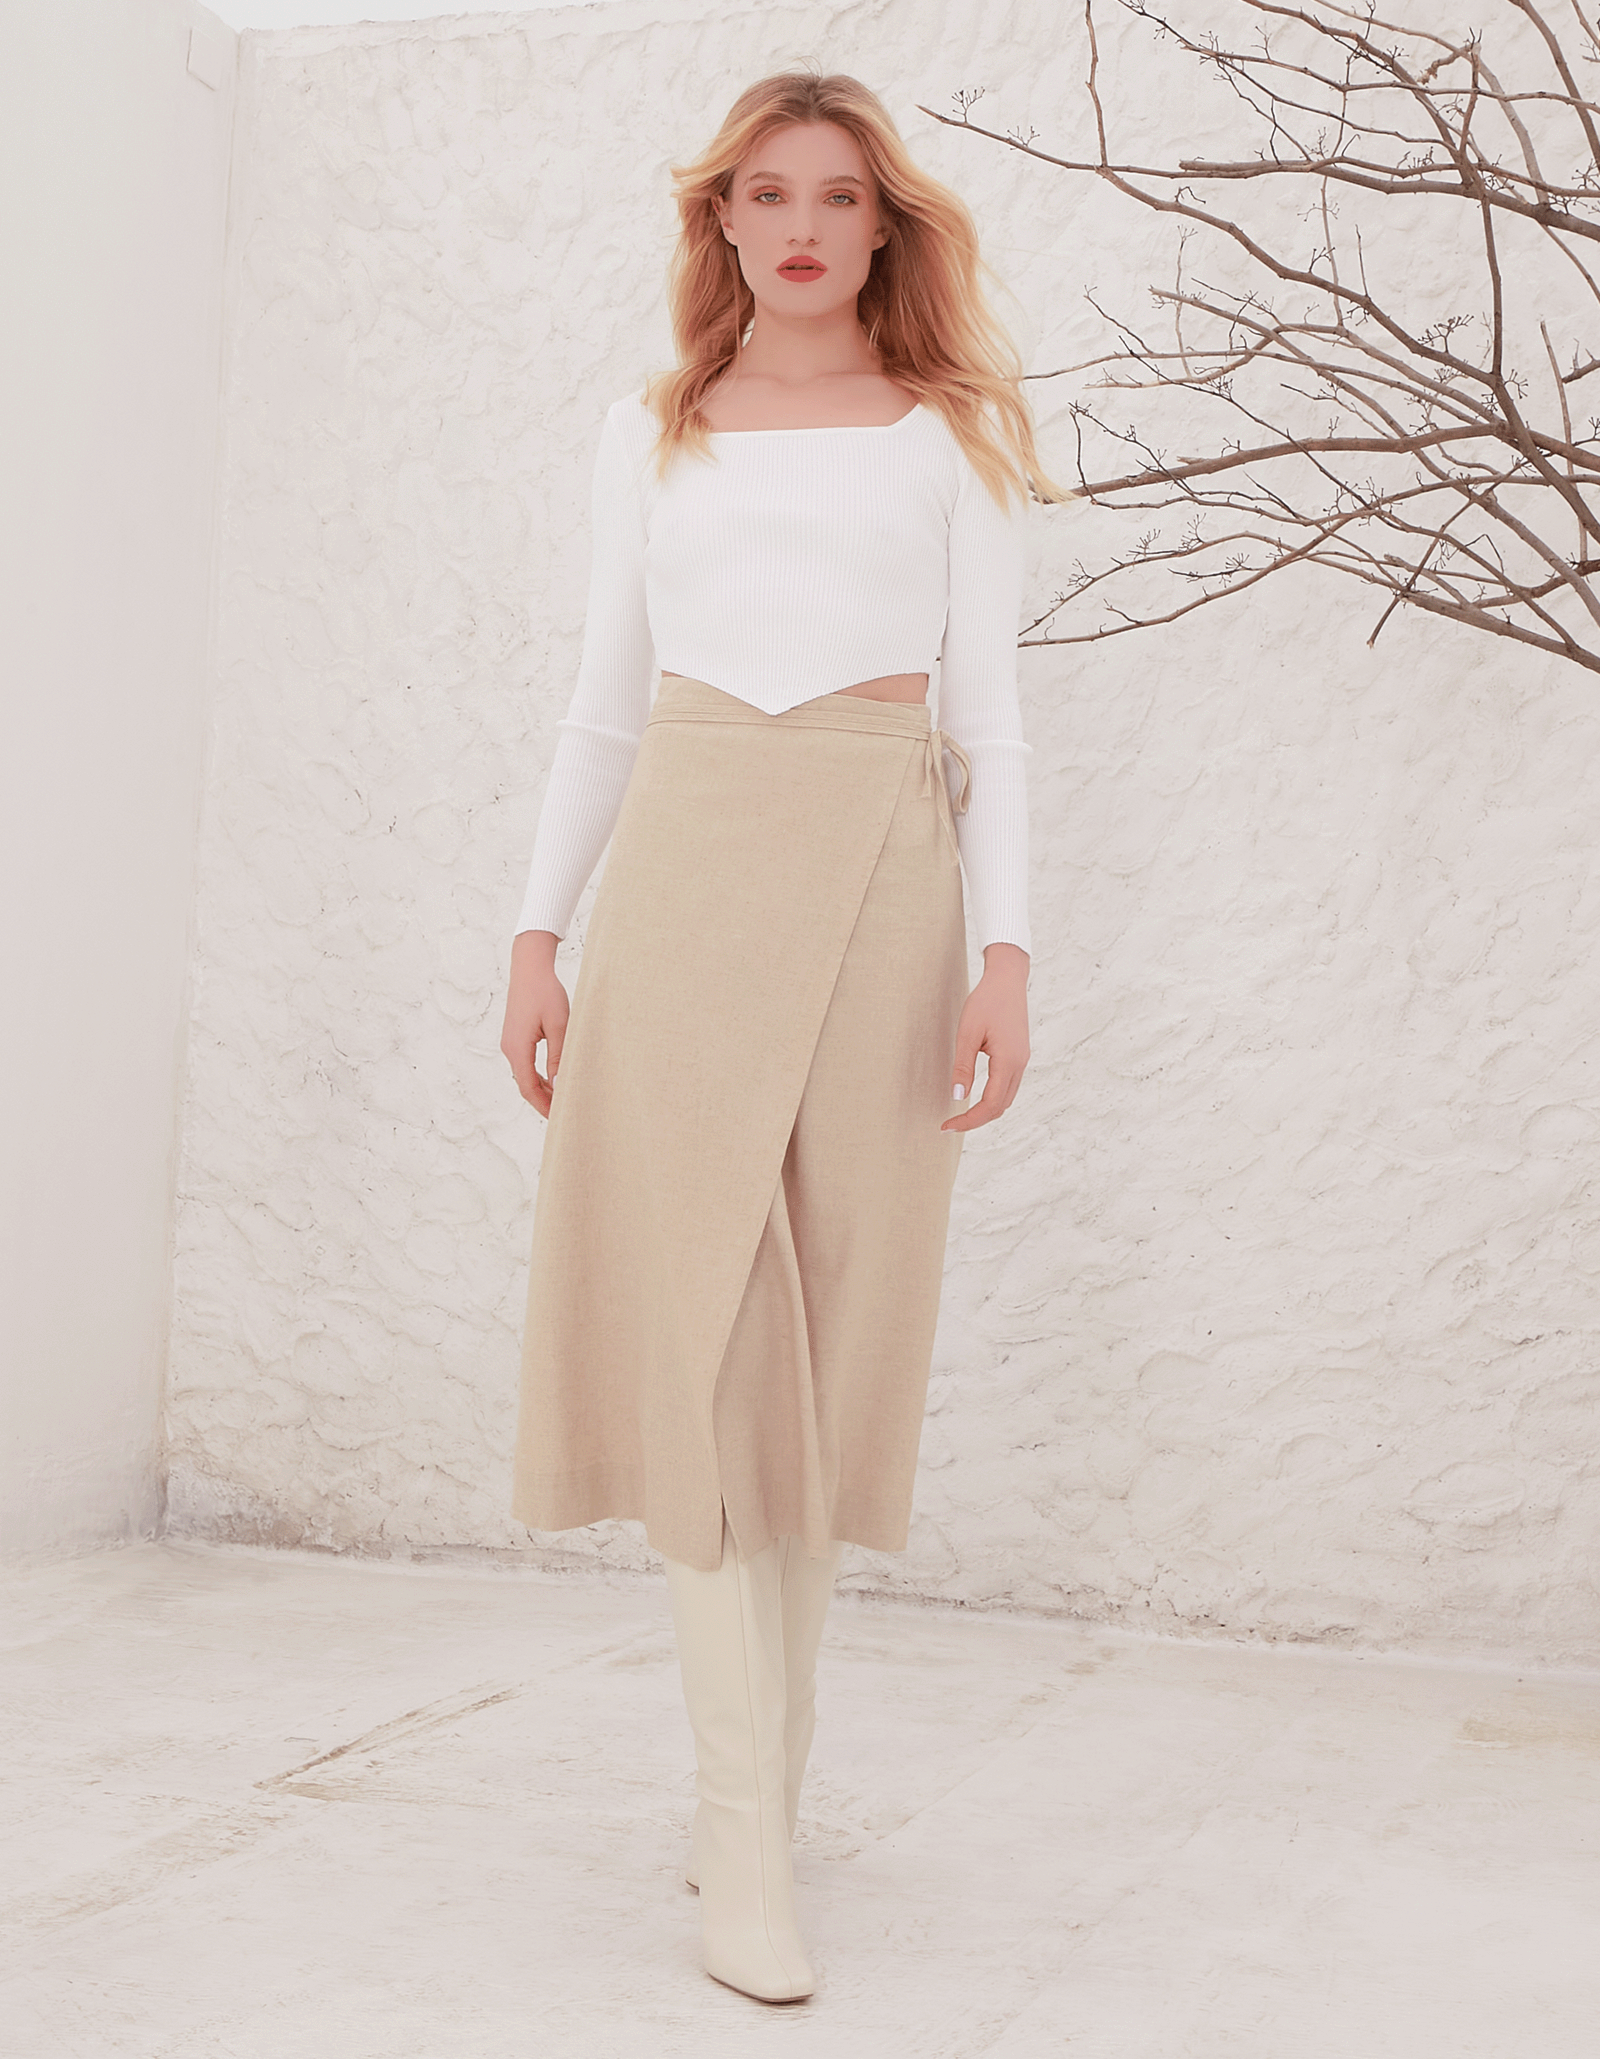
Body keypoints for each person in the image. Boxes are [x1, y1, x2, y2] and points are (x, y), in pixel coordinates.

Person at [499, 67, 1063, 2005]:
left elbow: (990, 720)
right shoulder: (647, 431)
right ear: (721, 221)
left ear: (881, 224)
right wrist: (535, 933)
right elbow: (603, 703)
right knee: (702, 1337)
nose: (802, 225)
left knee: (822, 1355)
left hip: (883, 894)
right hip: (679, 884)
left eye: (835, 194)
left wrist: (1005, 958)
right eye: (766, 193)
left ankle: (765, 1807)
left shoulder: (948, 435)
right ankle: (742, 1841)